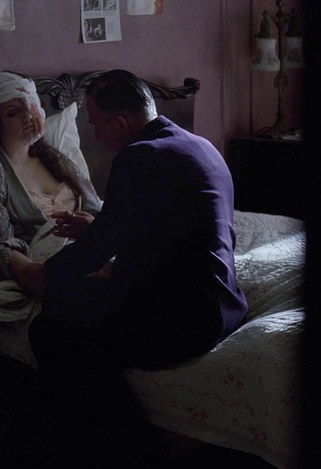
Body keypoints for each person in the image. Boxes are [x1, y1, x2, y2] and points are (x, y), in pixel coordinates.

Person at [17, 68, 248, 467]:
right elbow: (161, 229)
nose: (96, 135)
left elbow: (94, 253)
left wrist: (44, 275)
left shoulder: (139, 156)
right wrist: (100, 228)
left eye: (96, 125)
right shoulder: (199, 145)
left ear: (121, 123)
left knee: (50, 327)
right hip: (224, 304)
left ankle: (131, 448)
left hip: (184, 320)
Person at [0, 70, 103, 293]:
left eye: (31, 106)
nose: (28, 117)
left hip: (89, 252)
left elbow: (96, 209)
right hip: (46, 266)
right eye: (13, 113)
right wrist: (35, 274)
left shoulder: (55, 158)